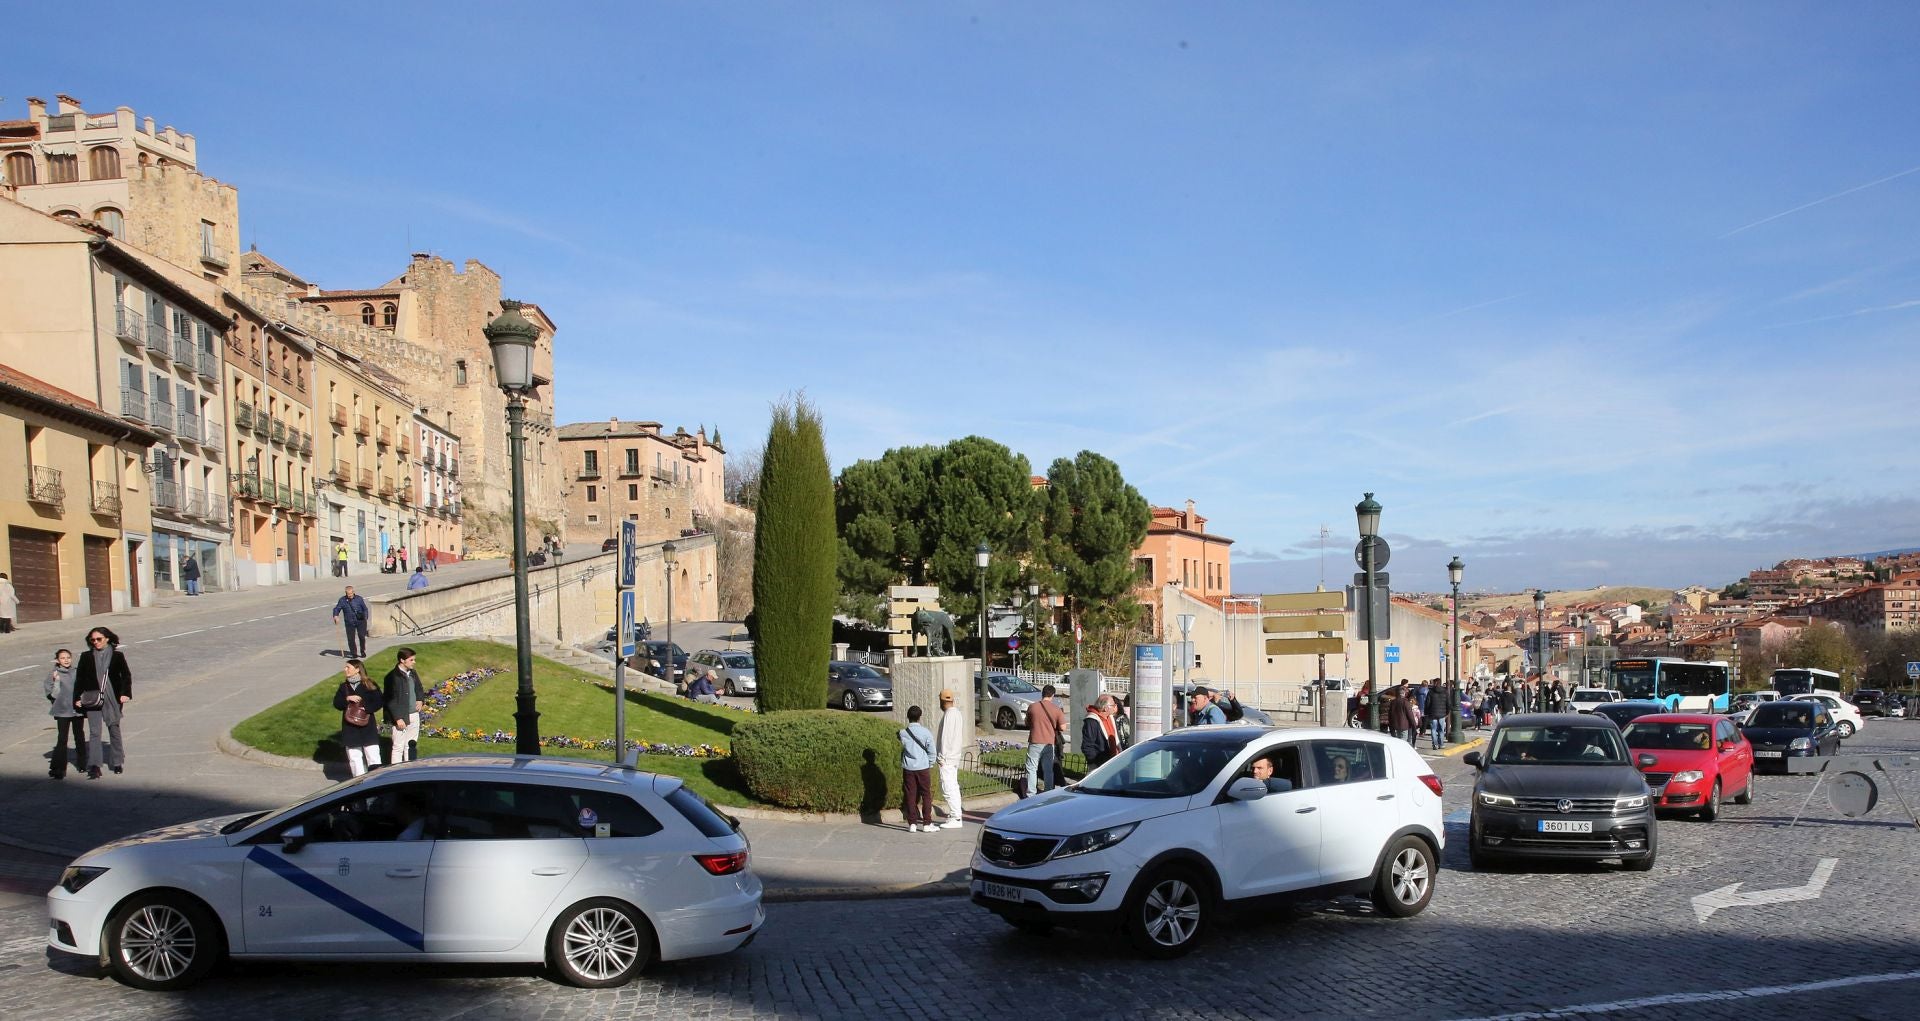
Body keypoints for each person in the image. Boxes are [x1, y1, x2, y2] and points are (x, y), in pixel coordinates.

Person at [73, 626, 132, 779]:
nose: (96, 642)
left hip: (113, 698)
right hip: (92, 697)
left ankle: (117, 761)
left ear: (107, 638)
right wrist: (77, 698)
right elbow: (79, 678)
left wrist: (125, 693)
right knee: (94, 732)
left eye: (99, 639)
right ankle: (94, 765)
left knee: (114, 729)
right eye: (92, 640)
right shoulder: (86, 656)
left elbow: (125, 675)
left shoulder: (117, 656)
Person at [335, 659, 386, 777]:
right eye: (345, 667)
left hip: (367, 725)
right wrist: (347, 699)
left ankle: (376, 781)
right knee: (354, 757)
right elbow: (337, 703)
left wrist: (366, 708)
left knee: (373, 755)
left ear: (357, 669)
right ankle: (359, 783)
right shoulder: (344, 687)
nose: (345, 669)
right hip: (350, 727)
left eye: (348, 667)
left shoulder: (369, 684)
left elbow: (379, 701)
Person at [45, 648, 88, 780]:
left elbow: (84, 688)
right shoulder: (53, 674)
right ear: (57, 660)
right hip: (62, 711)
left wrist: (82, 700)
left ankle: (82, 764)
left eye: (68, 657)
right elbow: (52, 695)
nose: (66, 660)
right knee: (62, 739)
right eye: (63, 658)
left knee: (79, 737)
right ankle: (59, 768)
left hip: (77, 710)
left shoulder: (77, 672)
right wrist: (57, 681)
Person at [383, 647, 426, 765]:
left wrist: (420, 700)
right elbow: (389, 699)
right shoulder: (392, 677)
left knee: (411, 745)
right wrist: (397, 718)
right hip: (401, 717)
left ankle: (409, 771)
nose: (414, 662)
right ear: (402, 660)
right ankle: (395, 773)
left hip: (414, 714)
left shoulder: (413, 673)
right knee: (398, 747)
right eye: (411, 660)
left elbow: (419, 688)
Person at [898, 705, 936, 833]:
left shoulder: (903, 733)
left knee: (910, 794)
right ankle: (926, 823)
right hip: (923, 767)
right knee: (926, 794)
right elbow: (932, 751)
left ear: (908, 717)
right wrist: (930, 763)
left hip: (908, 767)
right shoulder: (926, 732)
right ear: (920, 717)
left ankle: (912, 823)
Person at [933, 689, 967, 829]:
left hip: (947, 757)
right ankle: (956, 815)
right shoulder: (957, 713)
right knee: (953, 786)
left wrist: (941, 757)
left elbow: (945, 738)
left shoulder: (948, 715)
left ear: (942, 701)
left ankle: (955, 817)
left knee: (948, 787)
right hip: (953, 756)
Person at [1024, 684, 1065, 797]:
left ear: (1042, 694)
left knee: (1031, 768)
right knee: (1048, 769)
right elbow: (1063, 727)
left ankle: (1031, 794)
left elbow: (1027, 723)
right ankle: (1048, 792)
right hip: (1049, 743)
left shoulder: (1032, 707)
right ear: (1052, 695)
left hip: (1035, 741)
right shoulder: (1056, 710)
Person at [1082, 694, 1121, 769]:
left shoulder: (1110, 717)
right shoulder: (1092, 721)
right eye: (1113, 705)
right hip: (1100, 764)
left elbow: (1116, 738)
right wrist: (1094, 764)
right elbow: (1087, 746)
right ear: (1106, 708)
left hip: (1113, 761)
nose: (1115, 706)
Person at [333, 585, 370, 658]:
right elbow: (337, 608)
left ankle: (362, 651)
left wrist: (365, 617)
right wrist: (335, 615)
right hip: (349, 622)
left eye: (351, 593)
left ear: (353, 592)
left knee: (362, 636)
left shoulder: (359, 599)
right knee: (351, 639)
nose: (349, 595)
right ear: (345, 593)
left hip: (361, 621)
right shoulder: (342, 600)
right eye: (348, 594)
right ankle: (354, 653)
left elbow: (365, 609)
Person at [1425, 679, 1451, 750]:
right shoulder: (1445, 692)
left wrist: (1426, 712)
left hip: (1432, 713)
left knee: (1433, 729)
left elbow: (1427, 703)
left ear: (1435, 683)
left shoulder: (1430, 692)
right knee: (1441, 730)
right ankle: (1441, 744)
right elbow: (1448, 703)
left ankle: (1435, 744)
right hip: (1442, 714)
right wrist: (1447, 712)